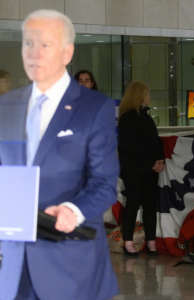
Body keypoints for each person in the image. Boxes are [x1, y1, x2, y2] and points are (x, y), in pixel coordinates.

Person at [0, 9, 119, 300]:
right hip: (11, 264)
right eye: (28, 43)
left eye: (45, 45)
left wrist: (74, 211)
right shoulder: (7, 105)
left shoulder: (94, 108)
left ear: (67, 52)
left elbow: (105, 182)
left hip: (68, 263)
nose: (34, 53)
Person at [118, 81, 164, 256]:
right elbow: (130, 147)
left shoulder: (146, 117)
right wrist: (150, 162)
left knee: (150, 206)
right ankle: (128, 241)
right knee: (133, 205)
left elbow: (155, 141)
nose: (149, 97)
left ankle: (151, 240)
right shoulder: (128, 118)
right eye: (147, 94)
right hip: (135, 170)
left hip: (150, 170)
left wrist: (160, 159)